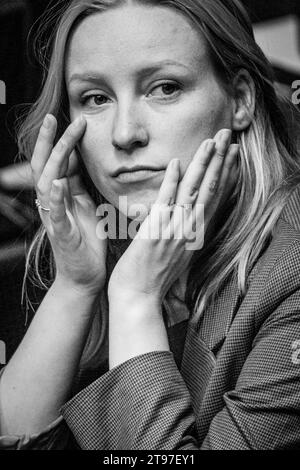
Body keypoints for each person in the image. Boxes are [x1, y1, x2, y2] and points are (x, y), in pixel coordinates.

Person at [0, 0, 300, 450]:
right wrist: (75, 286)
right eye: (95, 98)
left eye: (164, 88)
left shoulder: (291, 271)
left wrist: (135, 301)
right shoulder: (119, 241)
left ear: (240, 99)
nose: (125, 134)